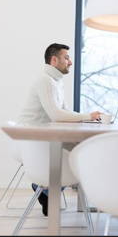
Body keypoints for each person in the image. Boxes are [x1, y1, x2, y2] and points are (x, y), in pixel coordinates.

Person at [18, 43, 101, 216]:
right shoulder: (45, 81)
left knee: (84, 148)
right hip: (35, 141)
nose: (70, 62)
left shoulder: (55, 81)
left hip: (45, 137)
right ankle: (46, 190)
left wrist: (89, 119)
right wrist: (87, 117)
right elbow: (56, 115)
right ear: (54, 60)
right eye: (66, 58)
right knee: (83, 152)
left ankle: (47, 191)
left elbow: (64, 111)